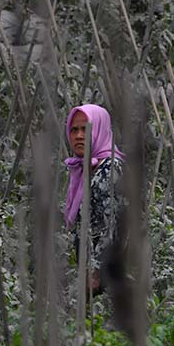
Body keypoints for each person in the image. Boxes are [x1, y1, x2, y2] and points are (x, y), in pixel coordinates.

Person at [63, 104, 126, 296]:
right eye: (74, 130)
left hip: (105, 275)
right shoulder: (83, 169)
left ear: (100, 130)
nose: (79, 136)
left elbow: (113, 225)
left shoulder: (109, 169)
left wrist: (96, 272)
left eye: (86, 129)